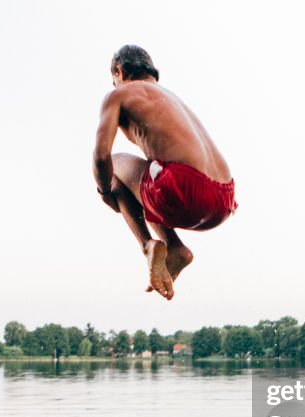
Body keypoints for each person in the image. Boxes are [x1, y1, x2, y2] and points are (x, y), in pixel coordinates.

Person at [93, 45, 238, 300]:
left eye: (114, 80)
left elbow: (101, 156)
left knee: (112, 169)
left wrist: (105, 192)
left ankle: (148, 245)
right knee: (151, 175)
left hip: (186, 189)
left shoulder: (119, 95)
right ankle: (175, 247)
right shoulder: (172, 99)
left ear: (119, 71)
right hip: (224, 198)